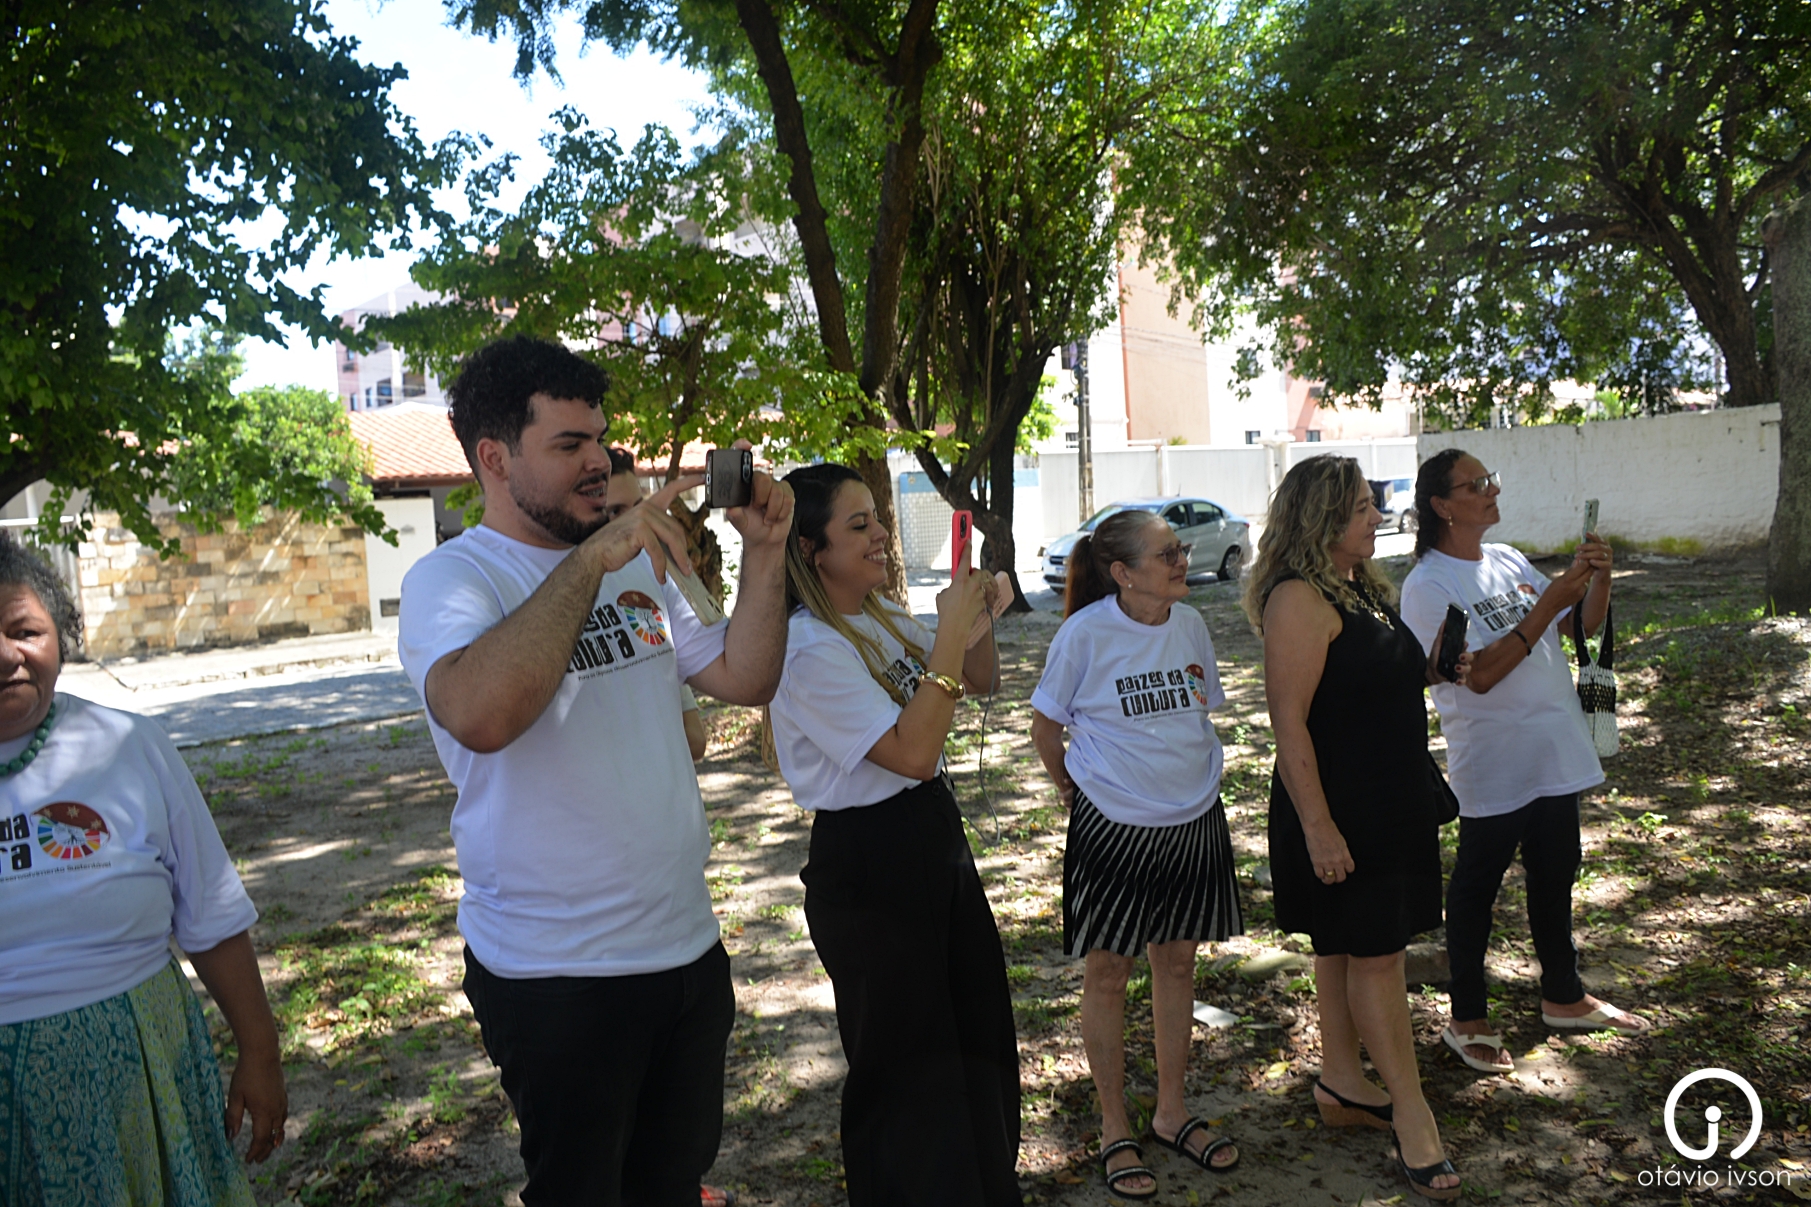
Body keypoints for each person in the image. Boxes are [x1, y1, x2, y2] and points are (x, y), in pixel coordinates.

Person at [397, 336, 793, 1206]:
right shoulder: (453, 579)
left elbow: (745, 676)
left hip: (685, 948)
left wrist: (766, 554)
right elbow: (481, 714)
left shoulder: (636, 561)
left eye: (601, 439)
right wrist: (587, 562)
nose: (598, 461)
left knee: (671, 1184)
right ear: (494, 458)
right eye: (569, 443)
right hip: (556, 975)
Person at [0, 535, 287, 1205]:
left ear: (60, 634)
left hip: (143, 1069)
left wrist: (260, 1051)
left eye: (25, 631)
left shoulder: (129, 746)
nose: (7, 655)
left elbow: (211, 913)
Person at [765, 463, 1021, 1207]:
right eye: (860, 525)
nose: (881, 534)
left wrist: (975, 613)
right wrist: (949, 633)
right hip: (869, 862)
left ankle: (983, 1187)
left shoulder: (877, 615)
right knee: (908, 1065)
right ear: (811, 550)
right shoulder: (809, 647)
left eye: (877, 518)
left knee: (975, 1032)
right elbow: (911, 752)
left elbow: (978, 678)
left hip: (930, 835)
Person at [1242, 454, 1466, 1202]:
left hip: (1389, 799)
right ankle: (1412, 1114)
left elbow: (1366, 680)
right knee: (1377, 957)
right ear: (1323, 516)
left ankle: (1342, 1079)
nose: (1377, 516)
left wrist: (1432, 667)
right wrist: (1318, 828)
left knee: (1344, 946)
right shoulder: (1296, 599)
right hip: (1339, 808)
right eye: (1364, 506)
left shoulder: (1359, 586)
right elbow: (1289, 726)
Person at [1399, 450, 1643, 1076]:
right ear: (1442, 506)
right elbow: (1476, 675)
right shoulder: (1428, 585)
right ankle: (1467, 1016)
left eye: (1492, 480)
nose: (1491, 490)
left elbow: (1576, 626)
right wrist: (1548, 601)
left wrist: (1598, 580)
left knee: (1556, 871)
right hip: (1495, 763)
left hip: (1553, 751)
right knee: (1476, 888)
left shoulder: (1506, 560)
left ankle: (1563, 994)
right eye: (1476, 484)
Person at [1029, 509, 1244, 1200]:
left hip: (1193, 818)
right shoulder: (1084, 634)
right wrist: (1069, 786)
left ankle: (1171, 1111)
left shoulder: (1191, 624)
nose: (1181, 560)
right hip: (1115, 824)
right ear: (1121, 573)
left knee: (1177, 962)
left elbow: (1197, 711)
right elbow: (1045, 725)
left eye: (1179, 549)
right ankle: (1114, 1124)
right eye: (1166, 553)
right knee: (1109, 971)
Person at [606, 446, 707, 763]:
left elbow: (696, 740)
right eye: (614, 512)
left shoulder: (654, 575)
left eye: (639, 508)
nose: (635, 525)